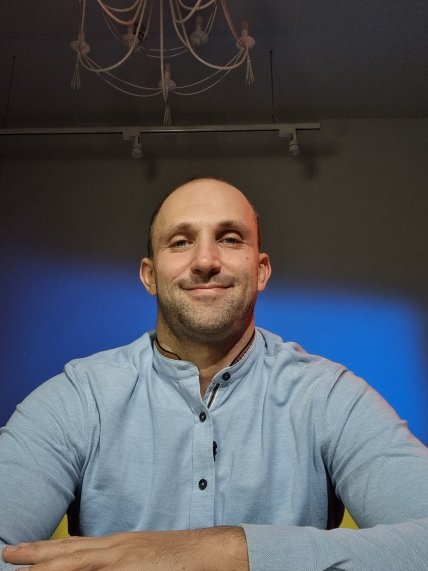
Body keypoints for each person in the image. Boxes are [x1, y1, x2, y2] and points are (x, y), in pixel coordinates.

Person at [1, 176, 428, 570]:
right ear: (150, 276)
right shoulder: (78, 398)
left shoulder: (330, 397)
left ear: (260, 270)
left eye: (229, 238)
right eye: (180, 242)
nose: (206, 260)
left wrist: (227, 549)